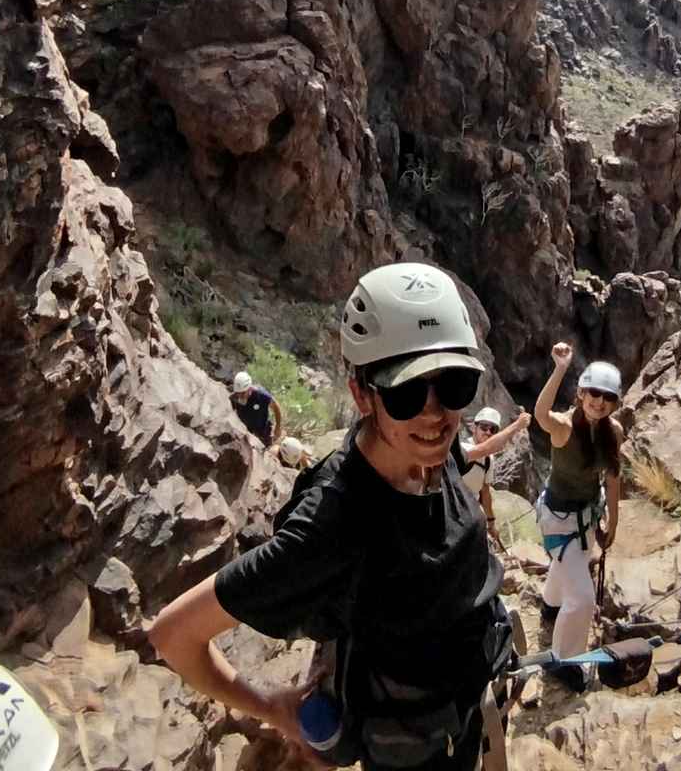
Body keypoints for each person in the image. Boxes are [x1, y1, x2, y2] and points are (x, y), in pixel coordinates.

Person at [150, 263, 514, 770]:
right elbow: (174, 635)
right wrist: (271, 708)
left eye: (454, 385)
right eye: (407, 392)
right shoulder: (331, 525)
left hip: (469, 707)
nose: (435, 413)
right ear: (362, 394)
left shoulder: (427, 449)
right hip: (414, 748)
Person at [532, 343, 626, 691]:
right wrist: (560, 368)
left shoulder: (611, 431)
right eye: (593, 393)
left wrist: (613, 523)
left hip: (587, 515)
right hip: (559, 517)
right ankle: (564, 660)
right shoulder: (563, 428)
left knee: (569, 567)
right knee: (583, 598)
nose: (598, 401)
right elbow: (541, 413)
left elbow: (613, 478)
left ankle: (550, 606)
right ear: (581, 393)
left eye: (606, 396)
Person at [459, 407, 531, 549]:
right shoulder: (462, 448)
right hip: (453, 511)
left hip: (471, 514)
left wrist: (491, 523)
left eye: (492, 430)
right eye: (484, 427)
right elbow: (484, 448)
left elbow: (485, 492)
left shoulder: (488, 460)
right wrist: (516, 426)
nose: (488, 432)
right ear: (474, 427)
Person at [231, 370, 284, 446]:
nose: (240, 396)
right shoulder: (235, 397)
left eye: (243, 393)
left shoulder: (262, 395)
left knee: (266, 447)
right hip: (246, 429)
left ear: (249, 388)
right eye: (238, 393)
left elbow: (276, 407)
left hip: (262, 429)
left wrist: (278, 426)